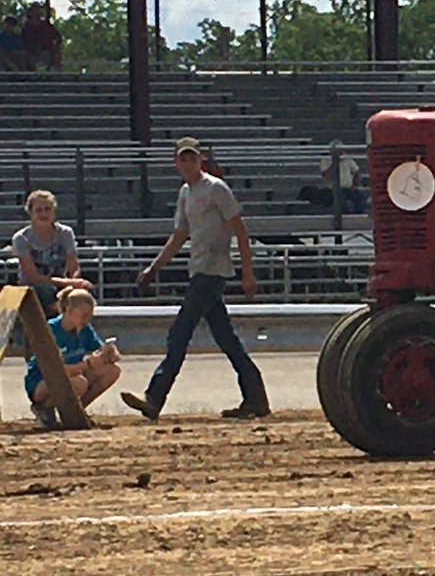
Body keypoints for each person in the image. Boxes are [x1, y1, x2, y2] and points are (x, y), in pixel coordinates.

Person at [120, 136, 271, 421]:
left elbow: (240, 229)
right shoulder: (186, 194)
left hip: (211, 272)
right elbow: (179, 236)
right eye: (182, 158)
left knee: (180, 333)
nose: (187, 162)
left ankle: (155, 396)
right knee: (227, 339)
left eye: (192, 157)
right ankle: (256, 398)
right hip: (201, 270)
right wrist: (154, 268)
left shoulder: (216, 188)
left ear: (201, 159)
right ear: (176, 163)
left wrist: (247, 272)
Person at [25, 286, 121, 429]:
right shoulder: (51, 330)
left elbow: (98, 348)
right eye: (83, 316)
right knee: (79, 383)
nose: (87, 320)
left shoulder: (84, 329)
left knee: (112, 371)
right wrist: (87, 365)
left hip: (73, 375)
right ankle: (44, 407)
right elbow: (53, 371)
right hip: (42, 381)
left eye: (89, 316)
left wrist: (109, 354)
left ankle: (76, 411)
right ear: (69, 311)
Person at [11, 189, 93, 316]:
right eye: (39, 210)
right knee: (45, 291)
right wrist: (69, 283)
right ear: (30, 213)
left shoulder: (65, 233)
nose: (44, 213)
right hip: (34, 289)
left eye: (47, 209)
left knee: (84, 290)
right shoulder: (21, 238)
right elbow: (33, 277)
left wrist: (74, 284)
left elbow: (74, 266)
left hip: (61, 284)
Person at [299, 140, 368, 214]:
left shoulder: (348, 159)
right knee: (339, 199)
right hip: (332, 189)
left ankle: (358, 214)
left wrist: (355, 184)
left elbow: (357, 172)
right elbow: (327, 176)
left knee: (360, 197)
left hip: (347, 188)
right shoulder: (325, 160)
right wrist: (336, 162)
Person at [21, 4, 63, 71]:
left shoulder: (46, 26)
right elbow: (23, 43)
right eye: (34, 11)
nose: (37, 13)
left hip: (47, 52)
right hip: (31, 54)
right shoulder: (26, 28)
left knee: (52, 56)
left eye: (38, 11)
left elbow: (58, 37)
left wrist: (56, 48)